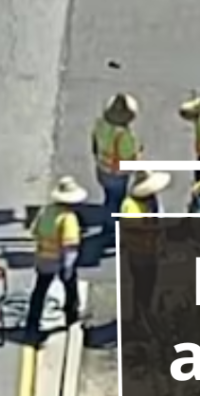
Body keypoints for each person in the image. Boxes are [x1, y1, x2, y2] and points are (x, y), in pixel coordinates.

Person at [24, 177, 86, 345]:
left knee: (39, 292)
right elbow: (69, 247)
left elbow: (34, 232)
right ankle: (72, 319)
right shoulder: (68, 218)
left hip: (43, 260)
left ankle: (32, 324)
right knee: (70, 289)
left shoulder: (46, 211)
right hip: (59, 261)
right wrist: (68, 269)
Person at [120, 171, 171, 332]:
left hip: (151, 252)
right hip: (139, 255)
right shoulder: (130, 206)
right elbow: (130, 227)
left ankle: (144, 316)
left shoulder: (151, 202)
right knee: (142, 288)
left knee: (148, 288)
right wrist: (154, 229)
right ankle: (140, 319)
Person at [91, 93, 142, 233]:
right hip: (117, 174)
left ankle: (108, 221)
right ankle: (112, 227)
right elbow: (129, 157)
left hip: (102, 168)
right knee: (117, 200)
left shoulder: (100, 124)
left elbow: (94, 145)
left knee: (108, 197)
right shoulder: (125, 136)